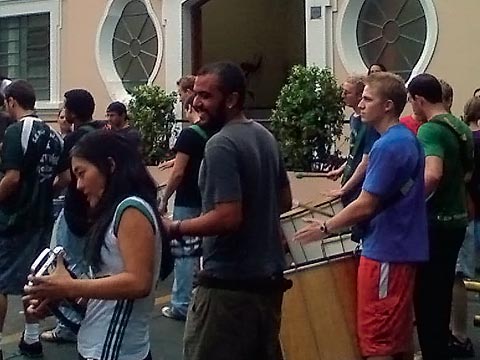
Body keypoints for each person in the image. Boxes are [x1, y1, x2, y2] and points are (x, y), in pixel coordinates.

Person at [162, 62, 292, 360]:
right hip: (266, 285)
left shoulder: (221, 144)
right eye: (195, 94)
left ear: (232, 99)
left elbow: (228, 216)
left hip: (228, 288)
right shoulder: (264, 136)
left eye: (206, 96)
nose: (195, 102)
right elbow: (284, 201)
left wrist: (175, 227)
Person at [294, 72, 428, 360]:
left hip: (386, 252)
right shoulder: (405, 139)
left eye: (368, 99)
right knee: (396, 337)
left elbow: (366, 204)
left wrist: (326, 227)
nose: (360, 104)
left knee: (378, 340)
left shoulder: (388, 146)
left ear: (388, 106)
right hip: (398, 248)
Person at [25, 131, 162, 360]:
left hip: (114, 350)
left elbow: (139, 282)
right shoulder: (115, 210)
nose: (78, 185)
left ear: (109, 165)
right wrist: (58, 295)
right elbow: (108, 284)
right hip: (99, 345)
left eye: (82, 173)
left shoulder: (131, 209)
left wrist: (69, 287)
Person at [408, 73, 474, 360]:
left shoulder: (429, 130)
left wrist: (408, 203)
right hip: (458, 217)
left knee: (426, 296)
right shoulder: (460, 126)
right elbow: (467, 173)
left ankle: (432, 350)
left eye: (411, 101)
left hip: (436, 221)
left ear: (419, 99)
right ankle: (443, 346)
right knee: (444, 287)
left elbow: (432, 174)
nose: (411, 107)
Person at [0, 80, 63, 358]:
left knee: (0, 282)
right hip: (42, 217)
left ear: (11, 101)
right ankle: (32, 337)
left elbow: (11, 178)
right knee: (33, 277)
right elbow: (66, 178)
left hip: (14, 219)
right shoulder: (53, 135)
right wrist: (42, 191)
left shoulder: (16, 131)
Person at [40, 89, 106, 343]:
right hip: (92, 211)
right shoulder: (100, 132)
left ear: (72, 111)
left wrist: (50, 191)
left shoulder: (75, 138)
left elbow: (68, 177)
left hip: (75, 211)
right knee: (84, 262)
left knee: (61, 260)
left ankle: (69, 322)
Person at [159, 94, 210, 321]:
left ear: (190, 107)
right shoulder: (216, 132)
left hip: (187, 199)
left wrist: (164, 198)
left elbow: (179, 172)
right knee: (206, 251)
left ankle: (180, 303)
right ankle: (200, 300)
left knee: (185, 253)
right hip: (208, 198)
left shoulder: (189, 134)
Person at [448, 96, 480, 358]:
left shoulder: (467, 139)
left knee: (456, 275)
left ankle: (458, 334)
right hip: (472, 212)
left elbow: (463, 177)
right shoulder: (467, 137)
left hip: (465, 212)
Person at [327, 75, 379, 208]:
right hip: (350, 179)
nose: (343, 96)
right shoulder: (353, 119)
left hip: (360, 185)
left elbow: (366, 162)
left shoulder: (369, 124)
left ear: (359, 96)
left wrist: (344, 189)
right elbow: (354, 152)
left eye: (347, 92)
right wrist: (341, 169)